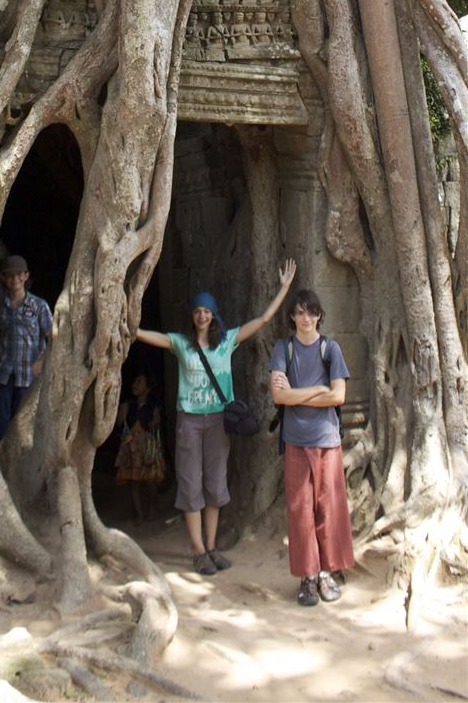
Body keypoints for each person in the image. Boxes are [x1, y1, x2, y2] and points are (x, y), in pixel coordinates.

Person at [136, 258, 296, 575]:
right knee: (190, 484)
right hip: (190, 423)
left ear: (213, 315)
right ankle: (197, 551)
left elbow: (263, 319)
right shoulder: (182, 344)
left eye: (207, 311)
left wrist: (284, 287)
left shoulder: (226, 343)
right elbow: (151, 336)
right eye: (197, 311)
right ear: (192, 316)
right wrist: (130, 326)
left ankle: (211, 547)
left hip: (219, 422)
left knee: (215, 485)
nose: (202, 316)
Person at [270, 287, 355, 607]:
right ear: (292, 316)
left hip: (327, 440)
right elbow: (279, 397)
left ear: (319, 315)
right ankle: (307, 576)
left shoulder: (331, 349)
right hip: (296, 440)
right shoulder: (284, 348)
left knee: (328, 508)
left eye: (311, 312)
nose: (305, 318)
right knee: (299, 510)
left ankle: (326, 573)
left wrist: (300, 392)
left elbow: (338, 396)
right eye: (299, 312)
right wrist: (317, 389)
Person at [0, 254, 53, 444]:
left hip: (28, 375)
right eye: (10, 275)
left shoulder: (38, 306)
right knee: (0, 422)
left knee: (22, 426)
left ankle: (18, 466)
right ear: (4, 278)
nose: (14, 279)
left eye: (19, 274)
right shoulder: (0, 307)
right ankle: (1, 461)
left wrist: (42, 360)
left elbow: (53, 337)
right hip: (3, 374)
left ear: (26, 276)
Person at [115, 371, 166, 521]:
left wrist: (155, 420)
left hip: (147, 448)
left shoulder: (154, 405)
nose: (134, 385)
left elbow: (156, 424)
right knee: (134, 481)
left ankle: (151, 506)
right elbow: (119, 424)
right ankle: (139, 514)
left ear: (148, 389)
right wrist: (121, 412)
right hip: (130, 447)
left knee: (150, 480)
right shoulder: (128, 404)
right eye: (134, 382)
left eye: (139, 382)